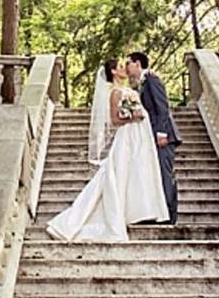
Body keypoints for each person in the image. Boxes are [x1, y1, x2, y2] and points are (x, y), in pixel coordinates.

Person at [45, 59, 170, 242]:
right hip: (127, 136)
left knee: (137, 173)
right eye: (120, 66)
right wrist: (132, 117)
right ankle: (77, 221)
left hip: (139, 137)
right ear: (113, 72)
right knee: (117, 175)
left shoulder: (132, 90)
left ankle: (135, 211)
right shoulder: (115, 93)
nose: (125, 68)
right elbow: (114, 120)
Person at [125, 51, 183, 225]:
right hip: (150, 136)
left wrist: (162, 133)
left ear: (137, 63)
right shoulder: (141, 83)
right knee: (157, 174)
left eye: (128, 63)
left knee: (165, 174)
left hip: (163, 135)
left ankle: (170, 216)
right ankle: (160, 212)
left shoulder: (152, 79)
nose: (127, 68)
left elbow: (162, 107)